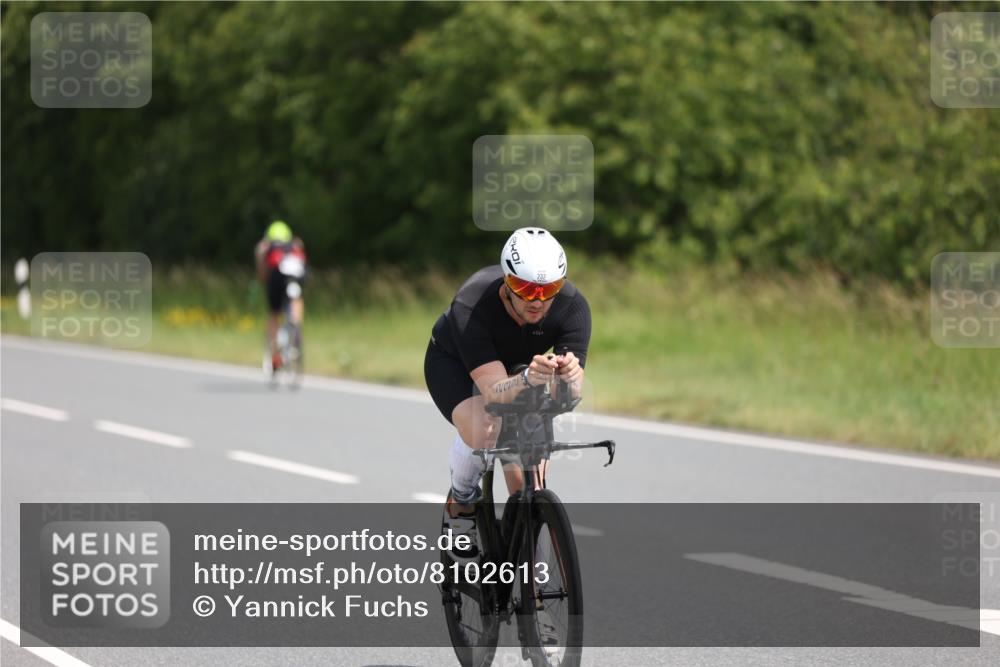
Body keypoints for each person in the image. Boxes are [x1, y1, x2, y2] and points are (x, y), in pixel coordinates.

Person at [424, 227, 591, 561]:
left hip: (519, 369)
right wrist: (529, 378)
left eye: (548, 289)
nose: (537, 300)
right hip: (456, 363)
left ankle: (534, 585)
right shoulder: (472, 304)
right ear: (507, 282)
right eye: (525, 288)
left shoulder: (572, 308)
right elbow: (495, 393)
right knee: (486, 429)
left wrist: (569, 379)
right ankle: (462, 502)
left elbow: (566, 398)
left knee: (527, 483)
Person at [254, 220, 307, 370]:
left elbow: (263, 275)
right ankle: (296, 325)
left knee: (274, 313)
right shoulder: (296, 244)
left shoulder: (266, 247)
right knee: (296, 299)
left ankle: (274, 352)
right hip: (297, 276)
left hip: (277, 278)